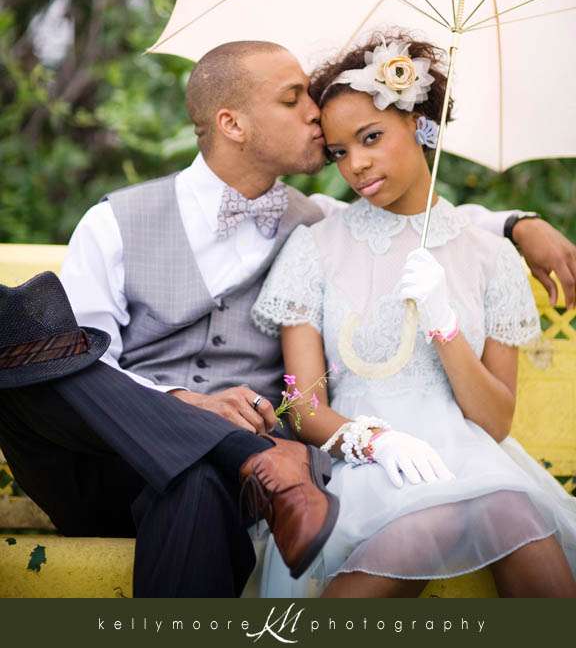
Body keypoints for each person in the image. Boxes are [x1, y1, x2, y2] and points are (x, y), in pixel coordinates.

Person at [1, 39, 574, 599]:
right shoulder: (115, 223)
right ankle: (245, 454)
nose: (314, 115)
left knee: (196, 479)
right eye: (293, 98)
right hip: (113, 466)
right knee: (32, 345)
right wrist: (185, 404)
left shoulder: (310, 222)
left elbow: (413, 219)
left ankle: (240, 459)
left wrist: (518, 224)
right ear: (232, 124)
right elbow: (79, 368)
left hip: (229, 487)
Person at [252, 33, 576, 598]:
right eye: (339, 152)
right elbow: (302, 406)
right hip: (365, 467)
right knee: (435, 519)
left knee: (512, 510)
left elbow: (494, 422)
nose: (356, 165)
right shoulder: (316, 247)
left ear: (419, 126)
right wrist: (374, 442)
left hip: (473, 461)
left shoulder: (490, 255)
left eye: (371, 137)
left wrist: (443, 323)